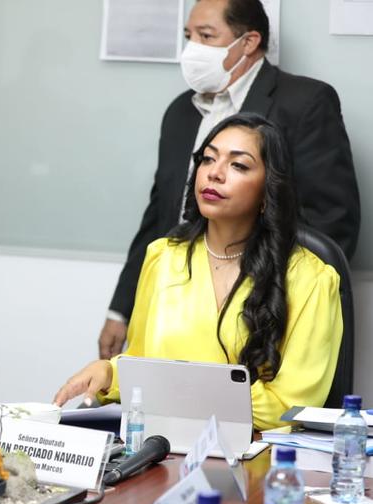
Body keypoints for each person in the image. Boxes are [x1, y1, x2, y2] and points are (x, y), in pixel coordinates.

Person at [98, 0, 360, 360]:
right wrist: (122, 309)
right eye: (189, 36)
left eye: (206, 36)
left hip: (260, 310)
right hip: (178, 310)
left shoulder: (305, 102)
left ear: (248, 42)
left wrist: (275, 300)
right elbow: (160, 217)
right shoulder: (180, 112)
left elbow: (333, 222)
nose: (192, 49)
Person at [54, 113, 343, 432]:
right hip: (166, 448)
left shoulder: (311, 278)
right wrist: (110, 373)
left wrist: (179, 397)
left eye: (238, 165)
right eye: (208, 159)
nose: (215, 174)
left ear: (267, 190)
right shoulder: (163, 257)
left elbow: (291, 406)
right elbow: (143, 363)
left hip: (258, 459)